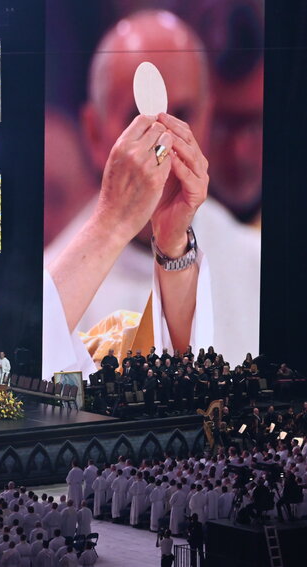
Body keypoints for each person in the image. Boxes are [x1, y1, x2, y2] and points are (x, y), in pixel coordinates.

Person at [43, 9, 260, 378]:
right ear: (94, 134)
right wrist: (113, 225)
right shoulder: (53, 283)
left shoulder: (256, 265)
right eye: (139, 118)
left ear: (207, 120)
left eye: (183, 113)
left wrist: (173, 245)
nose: (165, 138)